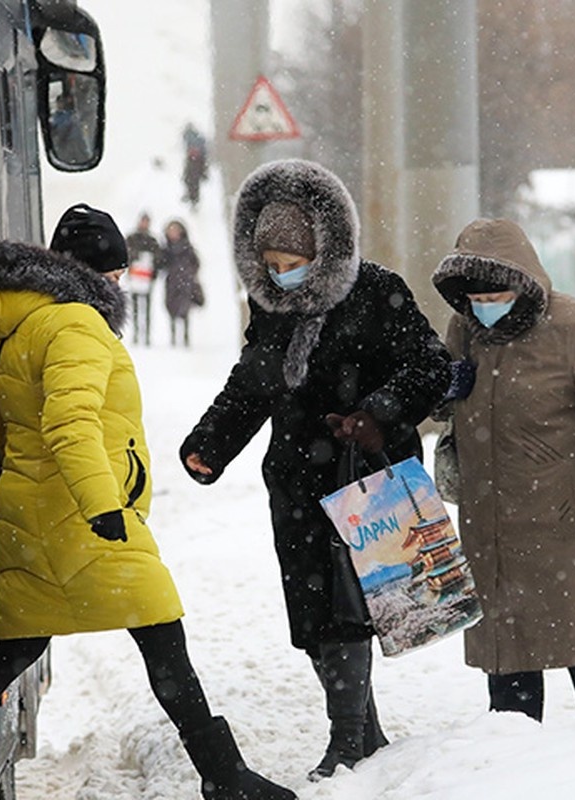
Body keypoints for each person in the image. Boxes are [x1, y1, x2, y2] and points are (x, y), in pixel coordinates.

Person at [0, 204, 295, 800]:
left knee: (25, 641)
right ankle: (224, 775)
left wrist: (27, 472)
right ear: (95, 273)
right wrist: (102, 505)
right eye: (115, 273)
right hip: (80, 518)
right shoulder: (77, 324)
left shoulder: (20, 325)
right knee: (160, 629)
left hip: (35, 512)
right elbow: (70, 422)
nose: (120, 282)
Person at [180, 159, 451, 779]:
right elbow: (252, 384)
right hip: (297, 480)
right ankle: (366, 734)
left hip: (368, 475)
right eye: (270, 263)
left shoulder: (376, 291)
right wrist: (210, 444)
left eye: (292, 260)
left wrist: (376, 412)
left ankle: (348, 742)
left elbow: (431, 365)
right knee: (314, 615)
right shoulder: (273, 307)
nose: (282, 273)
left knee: (352, 609)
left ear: (322, 249)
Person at [431, 217, 575, 734]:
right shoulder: (465, 329)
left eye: (497, 295)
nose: (486, 305)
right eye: (476, 297)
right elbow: (445, 405)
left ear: (523, 282)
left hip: (570, 528)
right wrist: (441, 388)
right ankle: (516, 769)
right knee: (509, 693)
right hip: (494, 532)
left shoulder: (574, 326)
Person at [159, 218, 203, 347]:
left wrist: (188, 274)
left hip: (185, 282)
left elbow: (196, 264)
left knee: (184, 308)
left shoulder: (187, 248)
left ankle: (185, 337)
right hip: (171, 283)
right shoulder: (166, 249)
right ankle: (173, 337)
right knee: (171, 307)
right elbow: (161, 264)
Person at [124, 211, 161, 345]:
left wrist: (153, 272)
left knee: (147, 309)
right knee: (134, 308)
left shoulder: (152, 240)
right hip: (135, 278)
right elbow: (126, 254)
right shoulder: (132, 238)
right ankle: (135, 333)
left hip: (147, 280)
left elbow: (158, 259)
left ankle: (146, 335)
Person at [183, 122, 209, 207]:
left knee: (192, 180)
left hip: (195, 161)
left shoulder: (192, 138)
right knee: (192, 180)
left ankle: (193, 198)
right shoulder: (198, 138)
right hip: (195, 160)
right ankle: (193, 198)